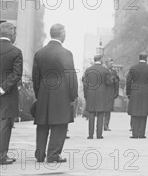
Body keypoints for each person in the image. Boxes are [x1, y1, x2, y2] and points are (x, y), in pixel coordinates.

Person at [32, 24, 78, 163]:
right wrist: (72, 95)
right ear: (62, 34)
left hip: (44, 91)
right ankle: (53, 155)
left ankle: (40, 154)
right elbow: (71, 76)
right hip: (61, 92)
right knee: (60, 124)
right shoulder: (66, 53)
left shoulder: (39, 53)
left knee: (42, 123)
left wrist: (38, 94)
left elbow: (35, 77)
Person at [0, 22, 23, 165]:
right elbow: (16, 74)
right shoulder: (16, 52)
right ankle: (2, 156)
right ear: (11, 35)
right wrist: (2, 88)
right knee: (4, 124)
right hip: (7, 95)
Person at [126, 52, 148, 139]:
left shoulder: (133, 68)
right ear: (146, 58)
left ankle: (135, 134)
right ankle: (142, 133)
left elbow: (128, 81)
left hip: (135, 90)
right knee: (144, 112)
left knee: (135, 112)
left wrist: (128, 93)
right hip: (145, 91)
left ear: (139, 58)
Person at [83, 54, 111, 139]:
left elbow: (85, 84)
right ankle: (99, 135)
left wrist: (86, 95)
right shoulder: (105, 70)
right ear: (101, 60)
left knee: (91, 114)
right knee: (100, 114)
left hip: (91, 93)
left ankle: (90, 135)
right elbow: (109, 82)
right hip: (102, 94)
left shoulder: (88, 70)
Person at [103, 57, 120, 131]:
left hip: (110, 93)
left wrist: (116, 92)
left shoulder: (114, 72)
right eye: (110, 63)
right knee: (101, 110)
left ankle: (106, 125)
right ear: (106, 63)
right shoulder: (103, 71)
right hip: (103, 92)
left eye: (112, 63)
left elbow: (117, 83)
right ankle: (100, 125)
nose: (112, 64)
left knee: (108, 110)